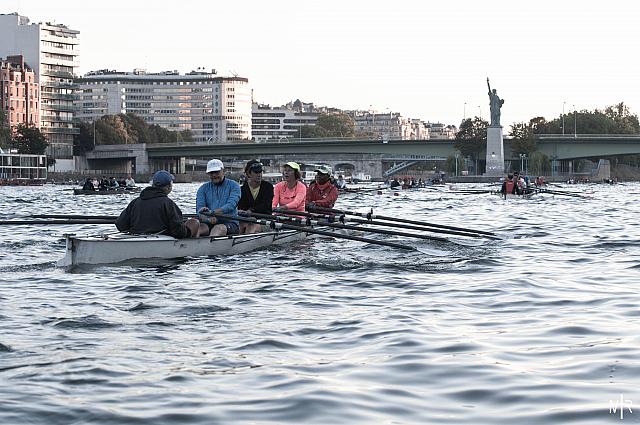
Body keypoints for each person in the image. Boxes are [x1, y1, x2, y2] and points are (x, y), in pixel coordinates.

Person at [115, 170, 200, 238]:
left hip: (136, 238)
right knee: (194, 222)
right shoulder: (168, 203)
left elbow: (120, 225)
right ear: (168, 187)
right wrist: (188, 230)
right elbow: (179, 232)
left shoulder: (135, 202)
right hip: (162, 241)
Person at [196, 158, 241, 237]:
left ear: (223, 171)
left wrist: (215, 212)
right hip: (209, 222)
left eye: (216, 172)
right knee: (198, 228)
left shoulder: (234, 186)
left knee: (218, 228)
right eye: (211, 173)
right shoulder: (203, 188)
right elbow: (199, 208)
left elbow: (231, 205)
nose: (214, 175)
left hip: (230, 223)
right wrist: (205, 216)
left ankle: (208, 248)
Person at [238, 159, 274, 234]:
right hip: (248, 218)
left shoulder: (268, 187)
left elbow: (265, 205)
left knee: (252, 224)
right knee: (240, 224)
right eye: (256, 172)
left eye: (260, 172)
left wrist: (251, 211)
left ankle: (245, 243)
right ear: (249, 174)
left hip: (265, 219)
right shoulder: (242, 189)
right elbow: (242, 206)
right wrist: (241, 210)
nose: (259, 174)